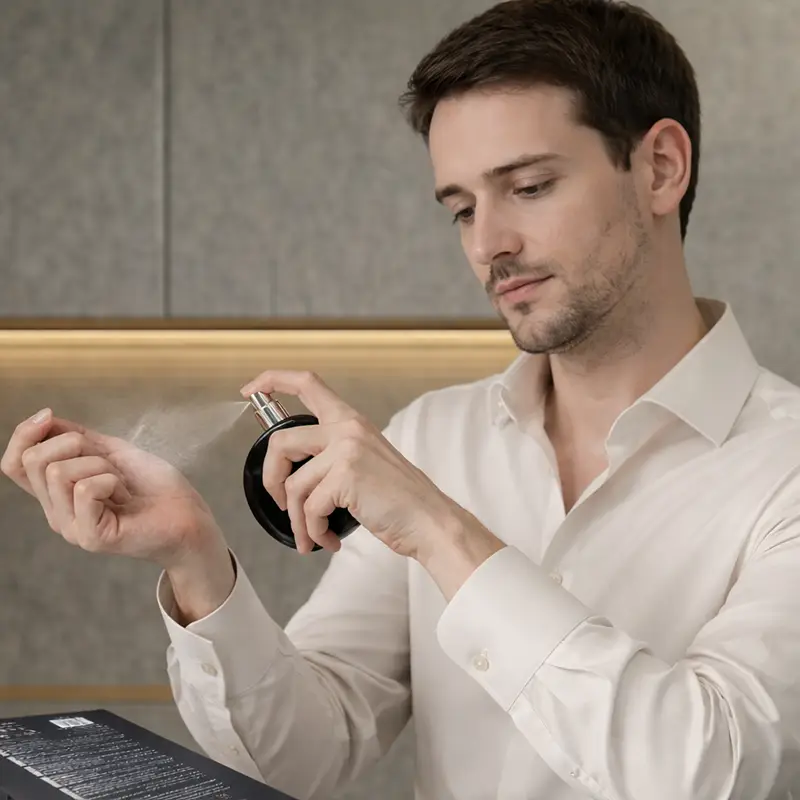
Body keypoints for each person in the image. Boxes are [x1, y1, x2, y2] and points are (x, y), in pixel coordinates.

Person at [3, 0, 800, 797]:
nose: (489, 245)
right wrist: (195, 560)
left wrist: (436, 527)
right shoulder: (432, 438)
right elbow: (300, 756)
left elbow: (708, 771)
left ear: (660, 166)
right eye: (461, 209)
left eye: (528, 186)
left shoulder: (786, 468)